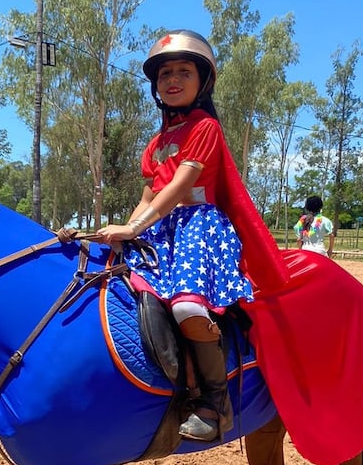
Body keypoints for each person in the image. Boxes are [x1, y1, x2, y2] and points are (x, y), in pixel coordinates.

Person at [95, 30, 288, 442]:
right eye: (165, 73)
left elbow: (180, 187)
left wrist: (135, 227)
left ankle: (216, 403)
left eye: (184, 71)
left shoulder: (205, 128)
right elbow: (147, 195)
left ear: (203, 81)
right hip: (161, 230)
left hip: (200, 229)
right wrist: (119, 236)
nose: (172, 79)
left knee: (186, 308)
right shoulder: (156, 143)